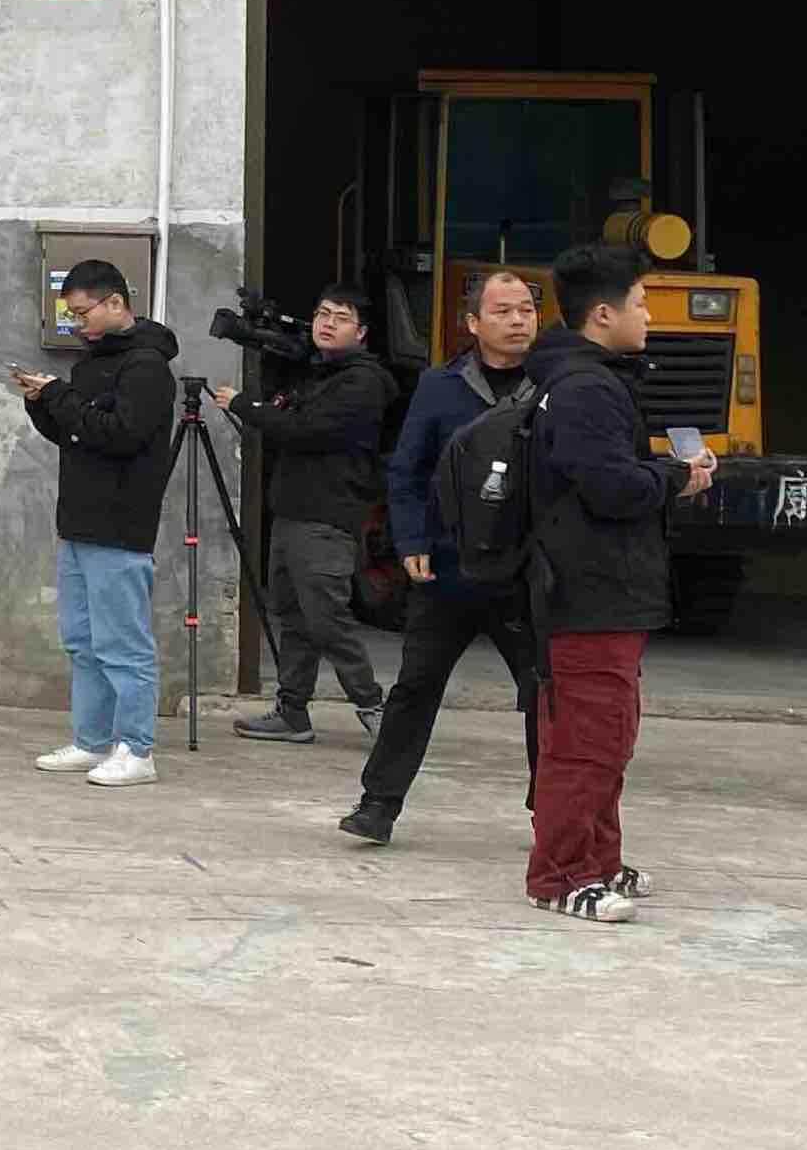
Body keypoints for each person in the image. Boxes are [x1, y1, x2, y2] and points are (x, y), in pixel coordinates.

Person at [519, 240, 713, 924]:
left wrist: (664, 475)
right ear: (602, 313)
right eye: (641, 302)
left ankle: (599, 862)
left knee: (608, 735)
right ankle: (558, 876)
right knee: (583, 742)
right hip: (588, 591)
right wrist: (677, 477)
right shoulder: (586, 389)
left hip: (608, 591)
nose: (649, 315)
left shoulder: (589, 380)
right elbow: (608, 486)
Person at [341, 267, 548, 846]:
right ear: (473, 323)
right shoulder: (441, 386)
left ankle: (551, 812)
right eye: (503, 311)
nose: (517, 321)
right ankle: (378, 804)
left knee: (544, 694)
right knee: (415, 687)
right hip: (446, 569)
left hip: (523, 575)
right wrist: (410, 542)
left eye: (527, 311)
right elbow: (406, 471)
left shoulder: (554, 386)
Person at [10, 259, 181, 787]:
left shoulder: (147, 368)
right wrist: (42, 404)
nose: (77, 323)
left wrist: (59, 397)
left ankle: (137, 749)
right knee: (82, 642)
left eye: (83, 312)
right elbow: (75, 433)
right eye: (71, 314)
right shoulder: (91, 365)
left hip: (120, 525)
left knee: (123, 644)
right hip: (79, 521)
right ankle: (91, 740)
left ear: (115, 302)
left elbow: (120, 435)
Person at [217, 287, 391, 743]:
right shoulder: (314, 373)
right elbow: (286, 412)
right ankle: (292, 711)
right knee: (292, 617)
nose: (327, 323)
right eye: (322, 314)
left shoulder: (363, 383)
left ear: (362, 332)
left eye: (340, 317)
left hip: (326, 517)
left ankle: (375, 708)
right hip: (291, 511)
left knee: (326, 619)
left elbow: (306, 430)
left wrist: (243, 406)